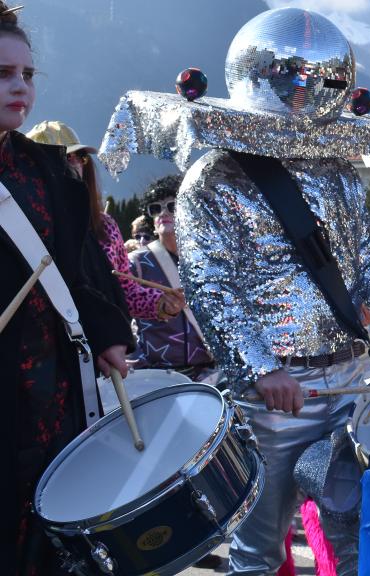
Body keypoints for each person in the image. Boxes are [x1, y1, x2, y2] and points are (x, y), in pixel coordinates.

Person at [165, 9, 370, 575]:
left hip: (349, 381)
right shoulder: (214, 177)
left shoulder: (338, 173)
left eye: (323, 80)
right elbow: (209, 282)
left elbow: (369, 263)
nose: (306, 91)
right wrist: (260, 368)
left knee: (354, 538)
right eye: (294, 78)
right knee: (260, 550)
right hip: (275, 396)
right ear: (263, 77)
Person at [0, 6, 133, 574]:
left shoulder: (49, 172)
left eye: (28, 74)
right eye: (3, 73)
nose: (20, 87)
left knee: (54, 531)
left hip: (54, 387)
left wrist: (107, 334)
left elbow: (80, 270)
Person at [25, 120, 186, 322]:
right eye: (65, 157)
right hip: (47, 335)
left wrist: (161, 302)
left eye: (80, 156)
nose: (75, 163)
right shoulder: (23, 224)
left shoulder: (105, 224)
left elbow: (124, 289)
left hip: (104, 336)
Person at [128, 174, 216, 381]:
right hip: (158, 375)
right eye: (155, 208)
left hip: (211, 372)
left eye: (172, 206)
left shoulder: (209, 259)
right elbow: (118, 316)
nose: (163, 213)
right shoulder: (136, 262)